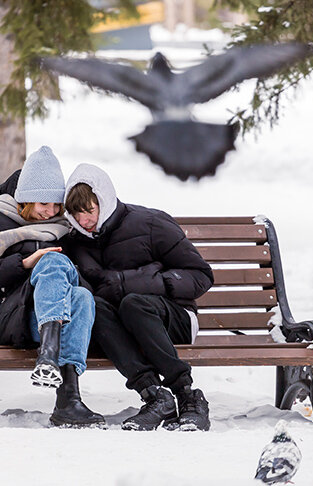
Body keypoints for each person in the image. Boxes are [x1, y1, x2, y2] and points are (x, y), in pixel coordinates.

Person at [0, 147, 105, 428]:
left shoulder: (65, 228)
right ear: (25, 198)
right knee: (51, 261)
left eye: (56, 205)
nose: (50, 212)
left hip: (50, 319)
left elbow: (90, 278)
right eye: (43, 204)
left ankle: (68, 398)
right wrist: (24, 264)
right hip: (5, 319)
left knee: (82, 296)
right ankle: (51, 359)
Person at [63, 163, 214, 431]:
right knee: (93, 306)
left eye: (90, 210)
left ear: (104, 200)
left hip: (173, 320)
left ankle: (188, 396)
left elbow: (201, 276)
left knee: (134, 302)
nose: (85, 220)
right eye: (77, 214)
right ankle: (155, 396)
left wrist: (134, 282)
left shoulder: (151, 223)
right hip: (123, 330)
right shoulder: (76, 243)